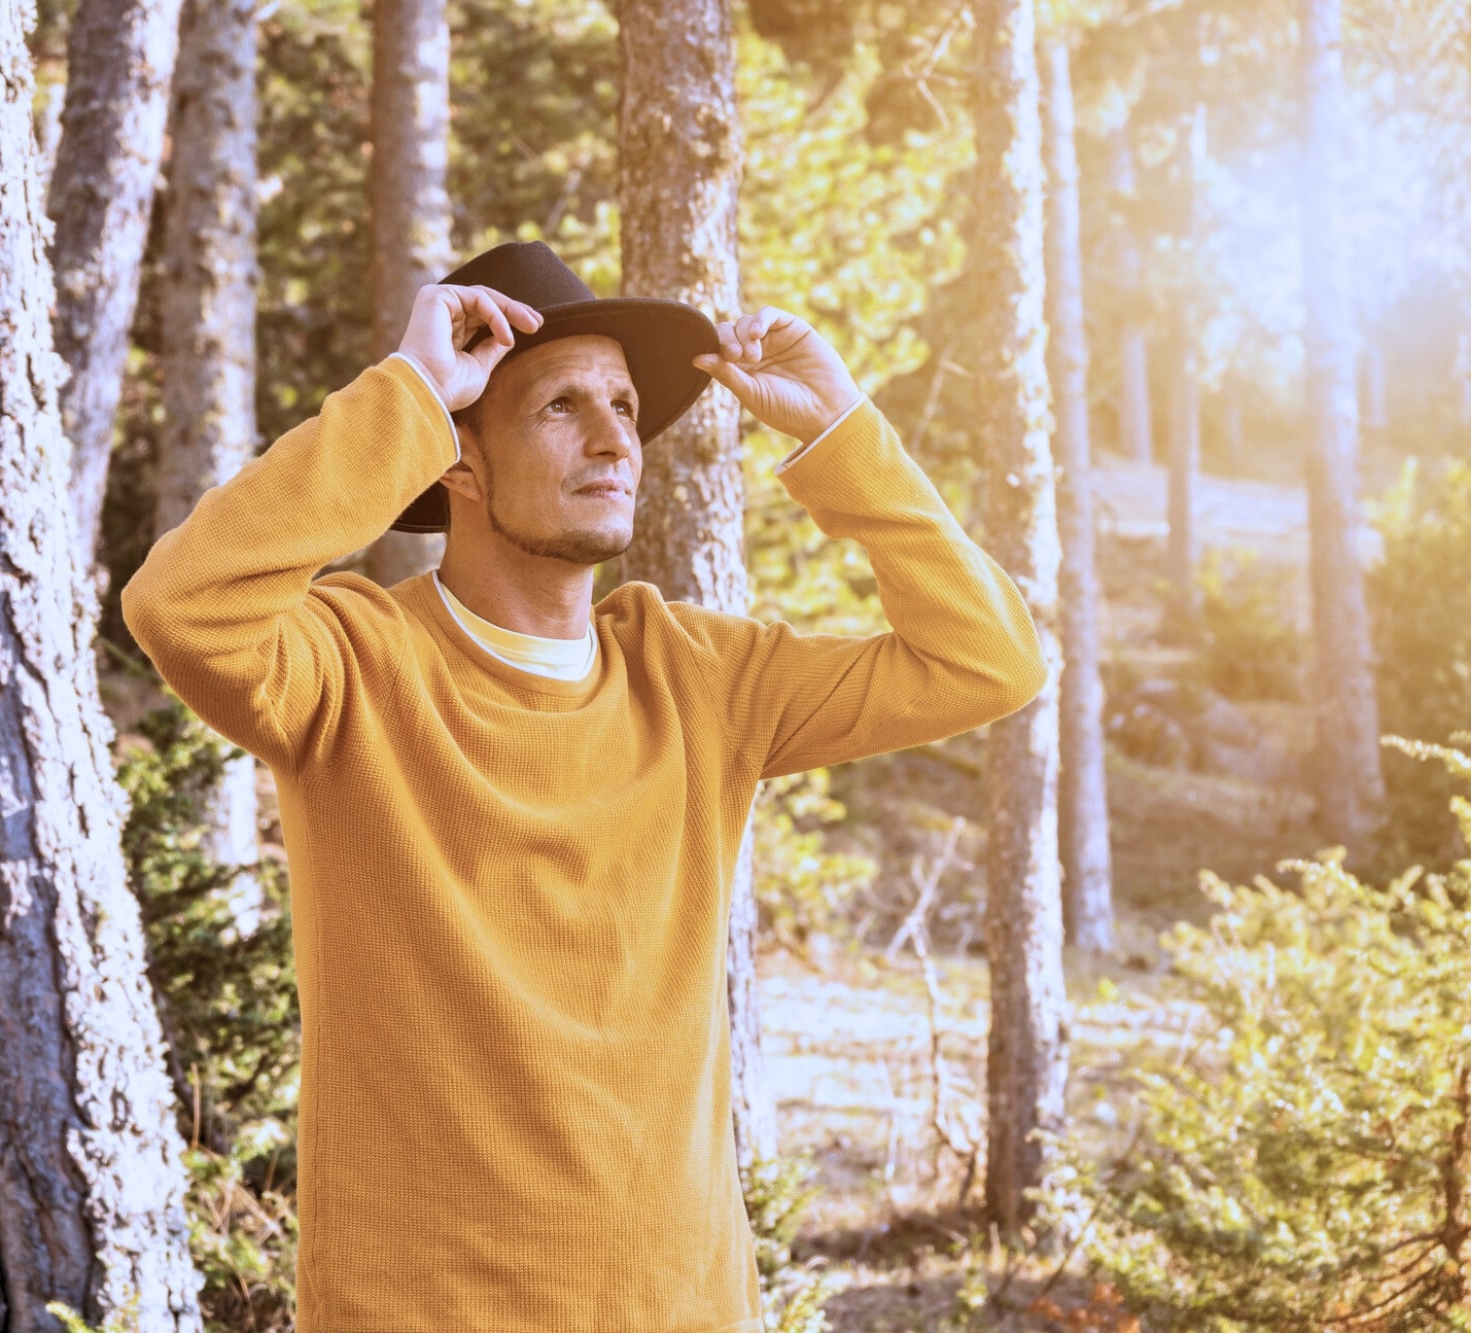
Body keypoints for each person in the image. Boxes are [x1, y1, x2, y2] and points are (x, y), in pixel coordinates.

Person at [122, 239, 1048, 1332]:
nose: (617, 435)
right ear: (455, 461)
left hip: (682, 1307)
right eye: (561, 405)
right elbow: (179, 603)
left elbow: (987, 660)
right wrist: (409, 393)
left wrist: (842, 434)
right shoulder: (350, 667)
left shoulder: (700, 677)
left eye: (622, 403)